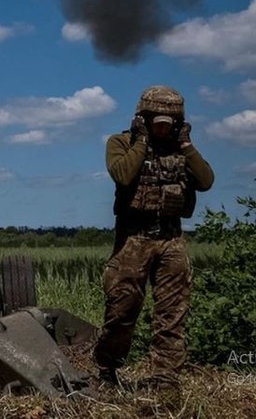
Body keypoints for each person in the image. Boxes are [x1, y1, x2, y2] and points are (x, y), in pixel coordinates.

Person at [94, 86, 214, 390]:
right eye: (156, 121)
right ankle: (107, 369)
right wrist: (142, 141)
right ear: (143, 119)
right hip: (134, 239)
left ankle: (166, 379)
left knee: (172, 313)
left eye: (169, 122)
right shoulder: (121, 142)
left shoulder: (181, 148)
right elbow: (123, 174)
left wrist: (186, 144)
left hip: (171, 239)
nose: (163, 127)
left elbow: (206, 181)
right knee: (122, 309)